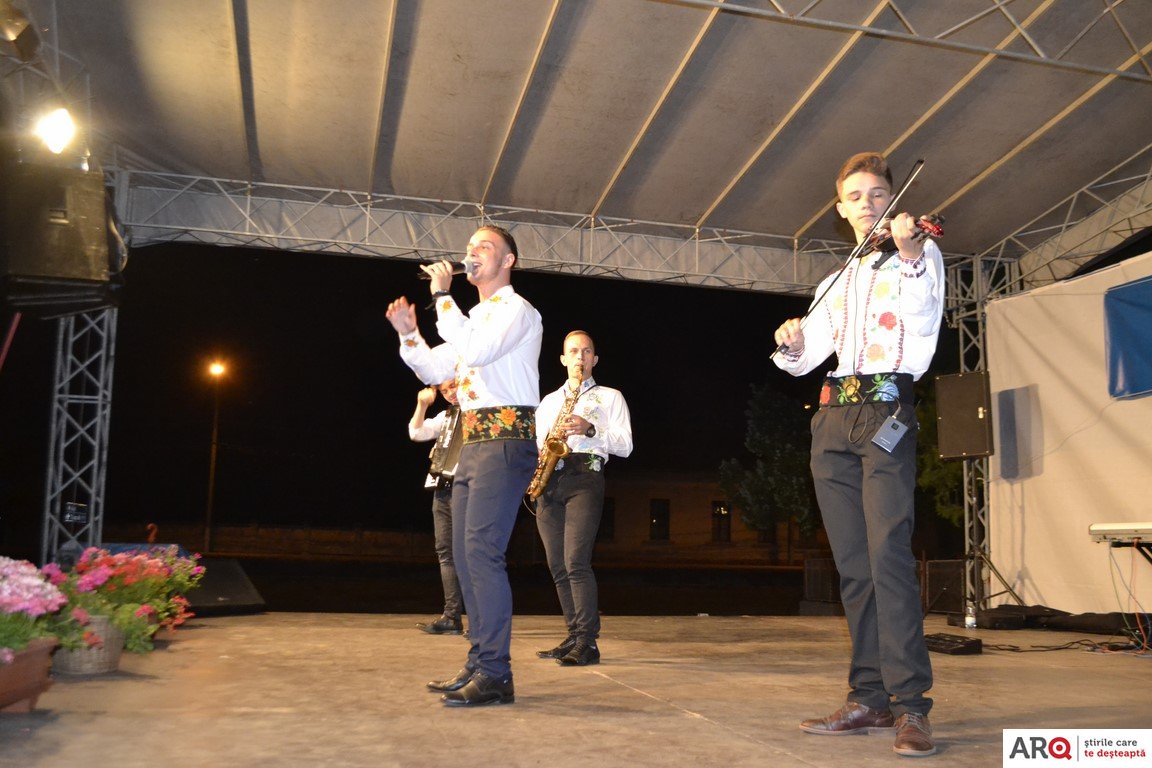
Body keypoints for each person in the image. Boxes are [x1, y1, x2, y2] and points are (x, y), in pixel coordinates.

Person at [772, 152, 944, 758]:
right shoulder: (835, 280)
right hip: (832, 419)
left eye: (877, 194)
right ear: (840, 208)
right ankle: (868, 697)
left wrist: (912, 253)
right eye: (855, 196)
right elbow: (803, 360)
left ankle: (910, 704)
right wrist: (791, 340)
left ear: (893, 200)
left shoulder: (919, 256)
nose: (867, 204)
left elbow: (923, 321)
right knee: (852, 564)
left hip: (886, 413)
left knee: (888, 555)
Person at [386, 225, 541, 707]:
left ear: (508, 261)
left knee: (481, 552)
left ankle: (496, 672)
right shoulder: (473, 319)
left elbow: (475, 350)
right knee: (465, 553)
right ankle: (479, 662)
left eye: (485, 247)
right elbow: (437, 370)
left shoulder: (516, 310)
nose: (472, 254)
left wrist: (441, 296)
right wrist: (410, 335)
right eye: (469, 248)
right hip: (473, 443)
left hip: (505, 439)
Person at [532, 330, 633, 667]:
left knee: (575, 561)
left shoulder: (611, 397)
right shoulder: (549, 402)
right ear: (563, 359)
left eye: (586, 351)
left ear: (595, 359)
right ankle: (574, 634)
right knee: (557, 565)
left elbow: (626, 445)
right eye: (574, 351)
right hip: (551, 478)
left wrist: (590, 428)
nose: (580, 357)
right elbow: (537, 445)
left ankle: (588, 642)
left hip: (585, 476)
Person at [408, 378, 465, 635]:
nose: (450, 393)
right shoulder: (447, 416)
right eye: (444, 391)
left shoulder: (481, 412)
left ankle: (482, 618)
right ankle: (451, 616)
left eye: (453, 386)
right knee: (445, 551)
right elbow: (416, 432)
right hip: (442, 488)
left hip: (468, 489)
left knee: (471, 552)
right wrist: (422, 405)